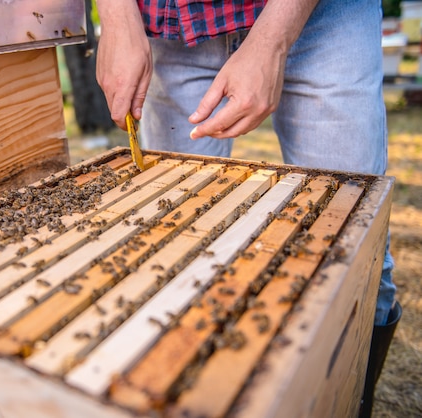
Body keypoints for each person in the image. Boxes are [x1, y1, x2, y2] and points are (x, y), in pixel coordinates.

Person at [94, 0, 400, 416]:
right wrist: (116, 18)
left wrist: (272, 40)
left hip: (322, 17)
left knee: (356, 247)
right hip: (172, 26)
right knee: (170, 244)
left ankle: (348, 400)